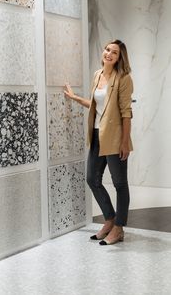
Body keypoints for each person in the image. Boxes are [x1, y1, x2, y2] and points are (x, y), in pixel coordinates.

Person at [64, 39, 133, 246]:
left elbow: (126, 113)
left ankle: (119, 228)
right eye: (107, 49)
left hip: (114, 137)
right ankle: (110, 219)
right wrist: (76, 98)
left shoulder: (124, 78)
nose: (109, 54)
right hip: (96, 135)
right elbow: (96, 106)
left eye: (114, 52)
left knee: (120, 183)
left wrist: (124, 143)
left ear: (120, 58)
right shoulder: (97, 75)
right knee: (92, 179)